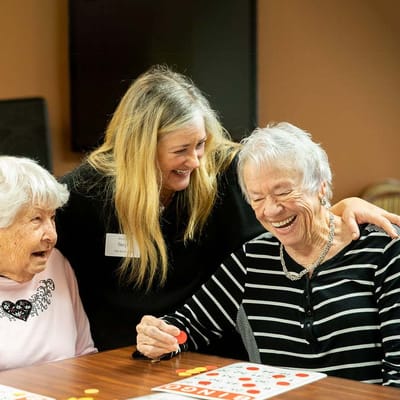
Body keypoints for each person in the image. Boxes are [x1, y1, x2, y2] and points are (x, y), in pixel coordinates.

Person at [56, 65, 400, 358]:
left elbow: (293, 210)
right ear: (140, 150)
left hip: (219, 360)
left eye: (201, 144)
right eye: (181, 150)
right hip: (127, 358)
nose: (195, 160)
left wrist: (339, 209)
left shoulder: (226, 172)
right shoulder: (84, 194)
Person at [136, 122, 400, 387]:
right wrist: (159, 336)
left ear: (320, 186)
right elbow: (188, 326)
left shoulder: (384, 250)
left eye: (283, 192)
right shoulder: (252, 259)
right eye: (257, 198)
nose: (271, 210)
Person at [0, 156, 97, 371]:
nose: (51, 236)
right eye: (36, 219)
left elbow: (84, 354)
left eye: (52, 218)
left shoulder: (56, 265)